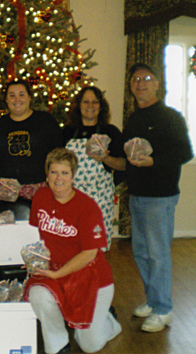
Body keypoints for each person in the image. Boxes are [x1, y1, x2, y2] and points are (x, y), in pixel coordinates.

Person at [24, 147, 122, 354]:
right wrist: (35, 261)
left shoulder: (87, 207)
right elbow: (34, 234)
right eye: (53, 172)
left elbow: (89, 254)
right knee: (38, 294)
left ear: (73, 175)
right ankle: (57, 345)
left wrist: (57, 274)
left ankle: (108, 321)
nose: (59, 178)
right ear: (47, 174)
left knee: (90, 345)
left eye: (65, 173)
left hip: (90, 276)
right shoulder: (41, 196)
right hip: (55, 271)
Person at [123, 63, 193, 332]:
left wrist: (154, 162)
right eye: (136, 79)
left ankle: (164, 309)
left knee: (158, 254)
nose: (140, 83)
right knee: (141, 252)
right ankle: (153, 301)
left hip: (160, 198)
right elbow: (127, 156)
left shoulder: (169, 116)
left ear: (157, 84)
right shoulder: (134, 118)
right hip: (137, 195)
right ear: (131, 86)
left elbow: (185, 153)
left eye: (147, 78)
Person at [62, 86, 126, 250]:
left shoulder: (110, 132)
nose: (90, 105)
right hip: (71, 198)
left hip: (100, 199)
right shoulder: (67, 132)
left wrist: (105, 158)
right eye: (86, 101)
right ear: (78, 105)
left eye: (95, 102)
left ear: (101, 106)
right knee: (72, 245)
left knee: (96, 245)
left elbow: (123, 164)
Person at [0, 79, 63, 206]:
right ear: (6, 100)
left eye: (21, 95)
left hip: (41, 191)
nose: (17, 100)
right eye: (12, 96)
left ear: (29, 97)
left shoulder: (45, 121)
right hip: (8, 194)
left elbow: (59, 154)